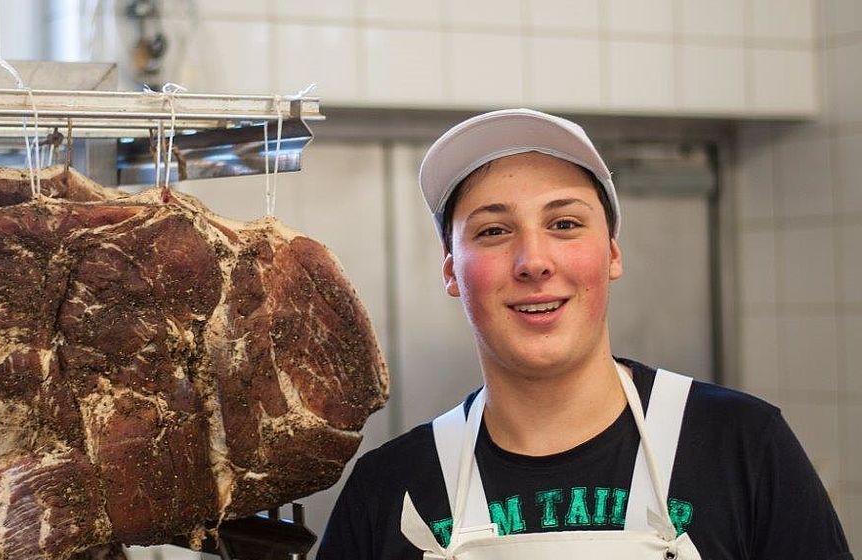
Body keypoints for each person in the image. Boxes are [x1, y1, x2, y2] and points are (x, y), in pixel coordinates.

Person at [317, 109, 853, 559]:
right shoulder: (389, 490)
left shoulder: (741, 446)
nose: (534, 261)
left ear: (612, 253)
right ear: (452, 271)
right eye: (494, 231)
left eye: (565, 224)